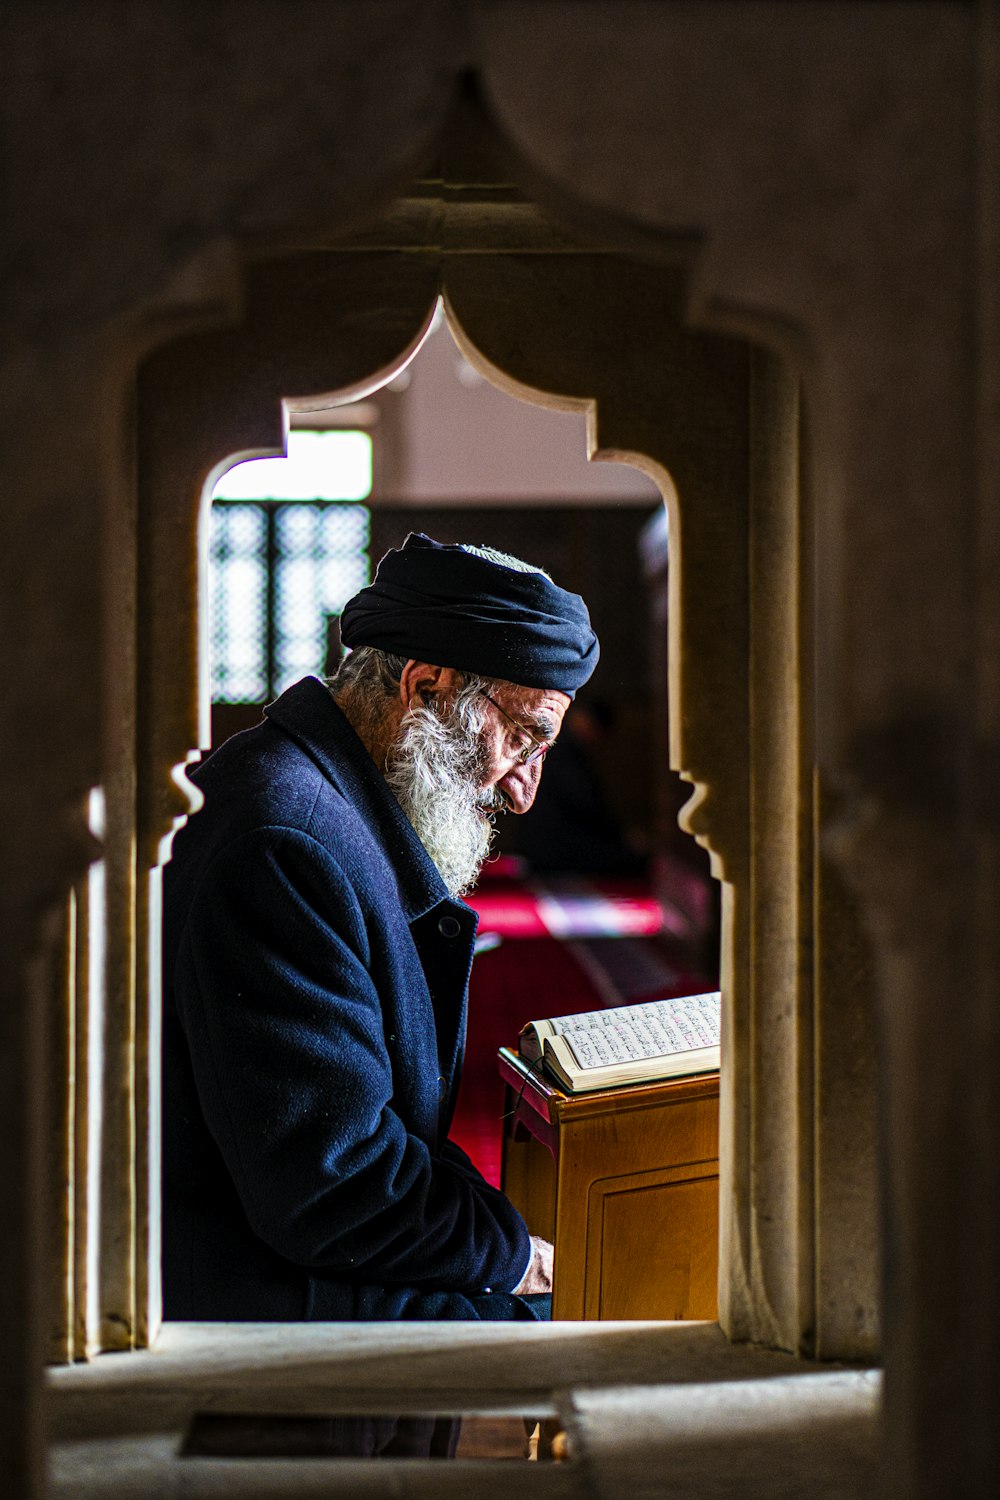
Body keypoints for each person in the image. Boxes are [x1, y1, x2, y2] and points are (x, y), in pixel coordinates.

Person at [161, 533, 598, 1322]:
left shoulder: (321, 802)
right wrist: (515, 1255)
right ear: (425, 687)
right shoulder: (287, 847)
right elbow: (336, 1185)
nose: (524, 792)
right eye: (525, 737)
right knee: (579, 1317)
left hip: (290, 1241)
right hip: (244, 1292)